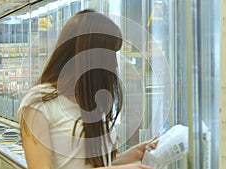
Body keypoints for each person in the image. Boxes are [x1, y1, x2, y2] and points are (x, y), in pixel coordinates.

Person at [18, 9, 157, 169]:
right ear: (91, 57)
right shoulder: (38, 102)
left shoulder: (90, 99)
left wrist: (133, 155)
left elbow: (87, 165)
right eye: (110, 55)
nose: (115, 64)